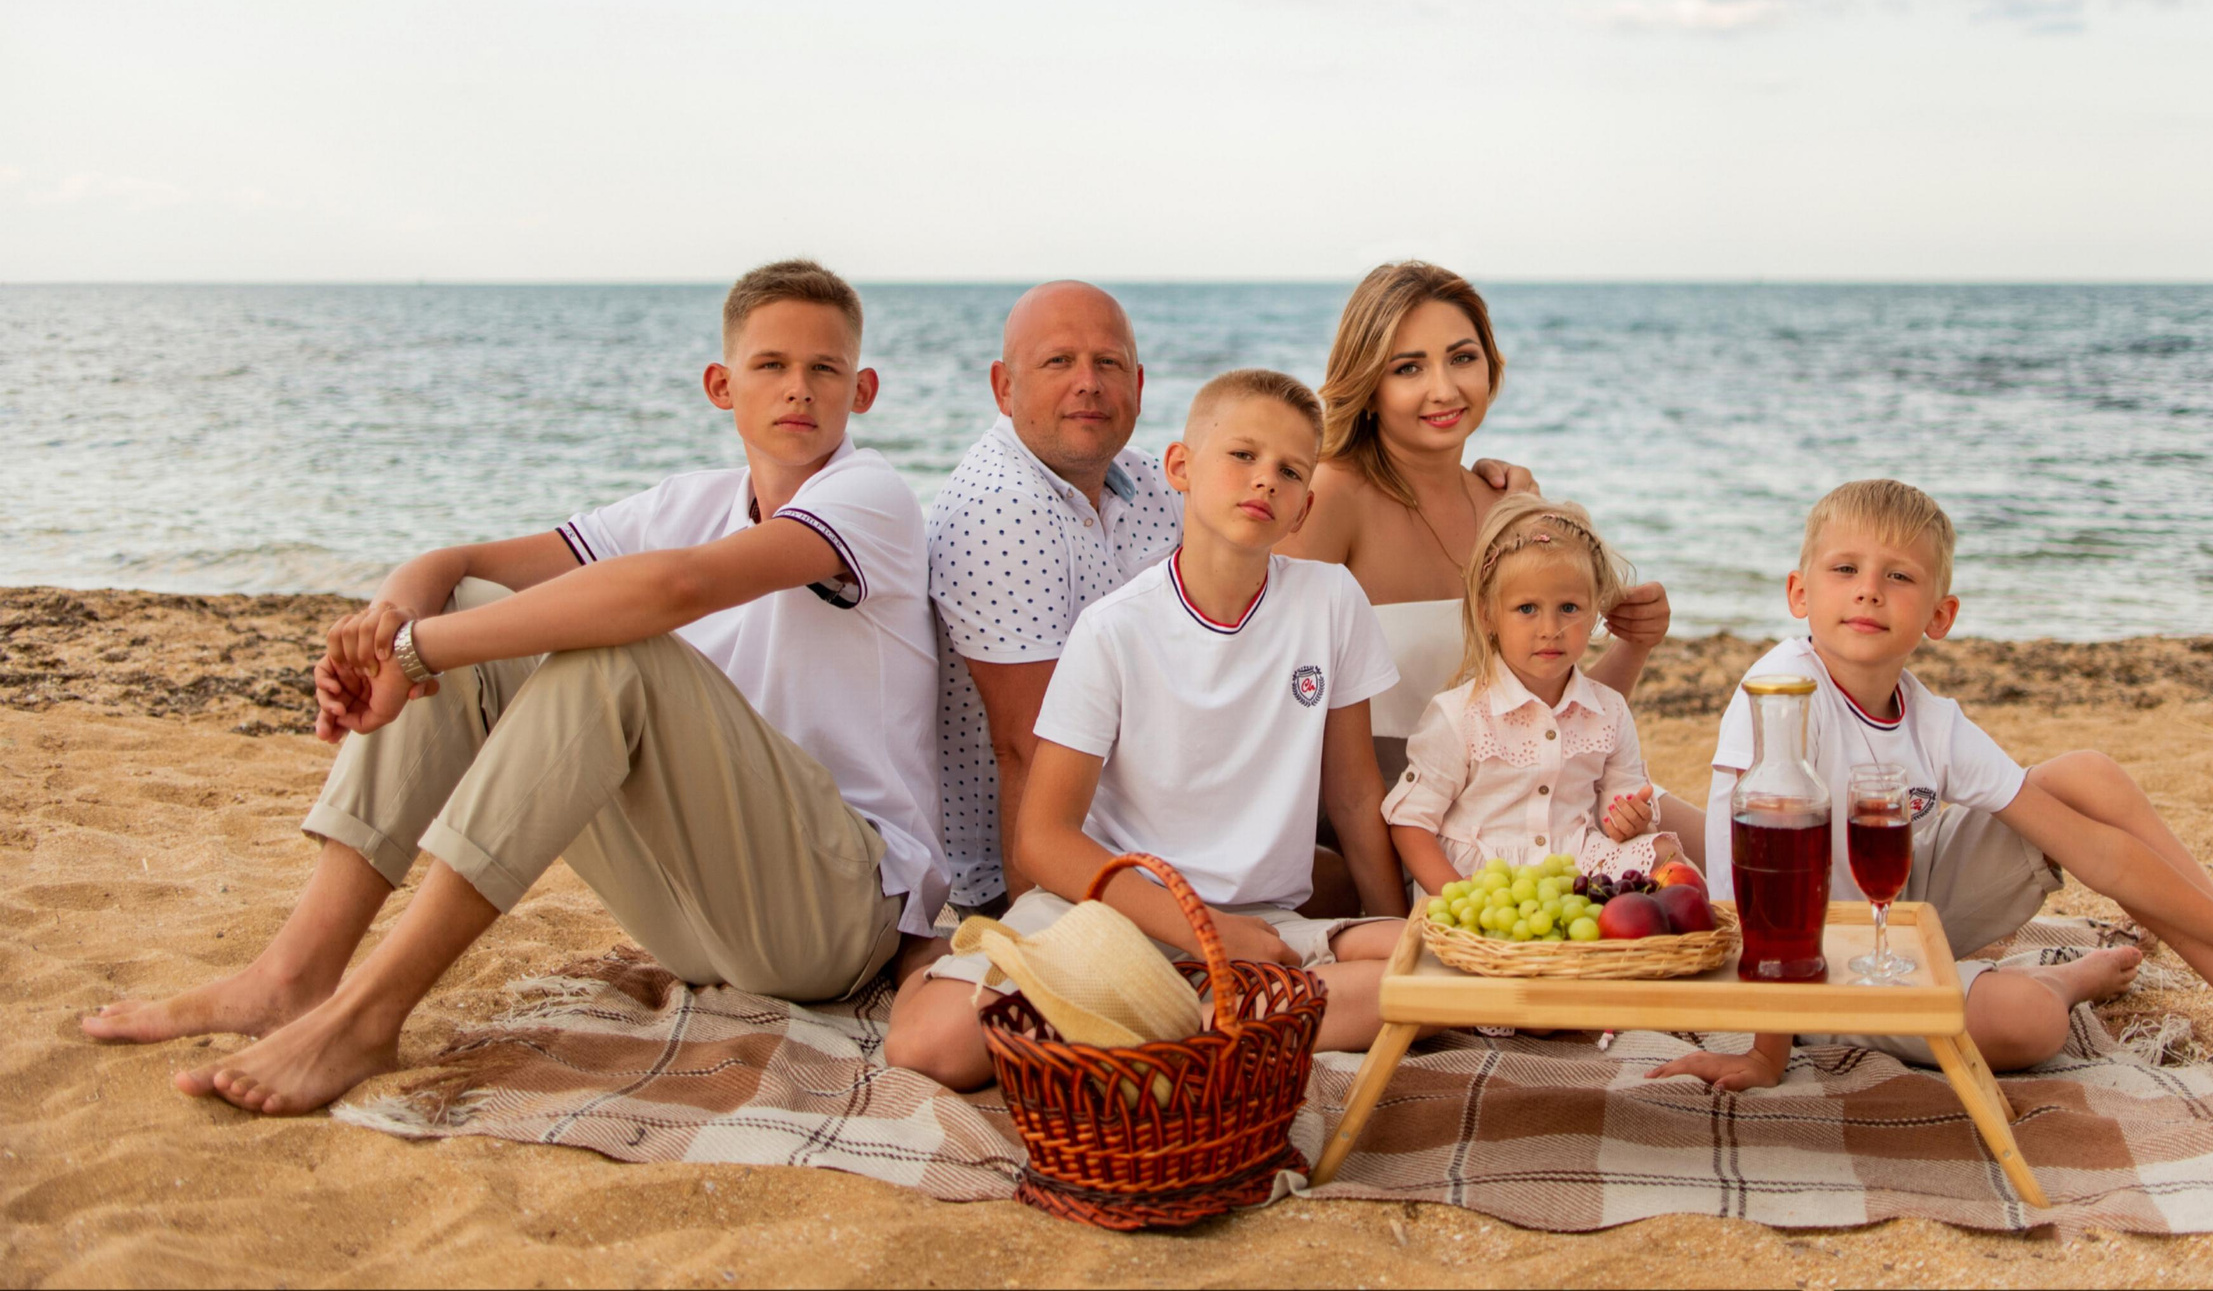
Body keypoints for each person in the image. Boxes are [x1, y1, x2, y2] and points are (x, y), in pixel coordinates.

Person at [82, 260, 950, 1115]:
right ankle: (296, 974)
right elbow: (459, 566)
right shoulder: (690, 501)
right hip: (700, 920)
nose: (799, 388)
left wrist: (421, 651)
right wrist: (386, 624)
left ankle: (369, 1013)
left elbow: (670, 592)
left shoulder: (870, 495)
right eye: (772, 365)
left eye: (824, 368)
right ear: (722, 385)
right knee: (479, 608)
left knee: (616, 651)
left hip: (839, 911)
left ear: (862, 390)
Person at [1652, 479, 2213, 1090]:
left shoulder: (1930, 715)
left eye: (1898, 576)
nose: (1868, 591)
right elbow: (1748, 887)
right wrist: (1764, 1049)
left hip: (1901, 913)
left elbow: (2096, 851)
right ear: (1800, 594)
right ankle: (2070, 982)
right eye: (1845, 569)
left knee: (2087, 776)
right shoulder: (1783, 691)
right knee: (2029, 1021)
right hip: (1810, 960)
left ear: (1939, 613)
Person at [883, 370, 1410, 1088]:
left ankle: (1175, 1020)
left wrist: (1391, 928)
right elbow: (1043, 838)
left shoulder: (1330, 601)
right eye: (1243, 455)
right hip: (1106, 924)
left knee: (1434, 968)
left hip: (1262, 932)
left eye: (1289, 470)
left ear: (1303, 507)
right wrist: (1201, 931)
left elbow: (1352, 793)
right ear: (1181, 468)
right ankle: (1205, 1020)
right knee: (932, 1045)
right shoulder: (1114, 629)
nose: (1265, 480)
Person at [1279, 261, 1690, 860]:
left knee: (1720, 847)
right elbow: (1284, 705)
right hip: (1398, 824)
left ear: (1491, 369)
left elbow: (1561, 717)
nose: (1443, 388)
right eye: (1408, 367)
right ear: (1367, 384)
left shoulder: (1510, 504)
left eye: (1462, 358)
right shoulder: (1330, 499)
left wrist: (1635, 642)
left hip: (1527, 809)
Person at [928, 281, 1181, 916]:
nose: (1088, 382)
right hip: (1021, 875)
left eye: (1109, 363)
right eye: (1058, 361)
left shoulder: (1147, 481)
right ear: (1004, 388)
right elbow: (1025, 749)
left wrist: (1469, 482)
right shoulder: (1000, 506)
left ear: (1140, 385)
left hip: (1147, 827)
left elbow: (1276, 509)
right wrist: (1037, 951)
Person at [1384, 497, 1679, 892]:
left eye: (1569, 607)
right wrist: (1454, 897)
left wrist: (1629, 818)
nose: (1550, 628)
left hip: (1575, 868)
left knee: (1664, 854)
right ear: (1488, 615)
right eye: (1526, 609)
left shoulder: (1609, 709)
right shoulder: (1459, 716)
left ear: (1594, 615)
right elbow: (1411, 822)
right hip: (1486, 881)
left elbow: (1620, 805)